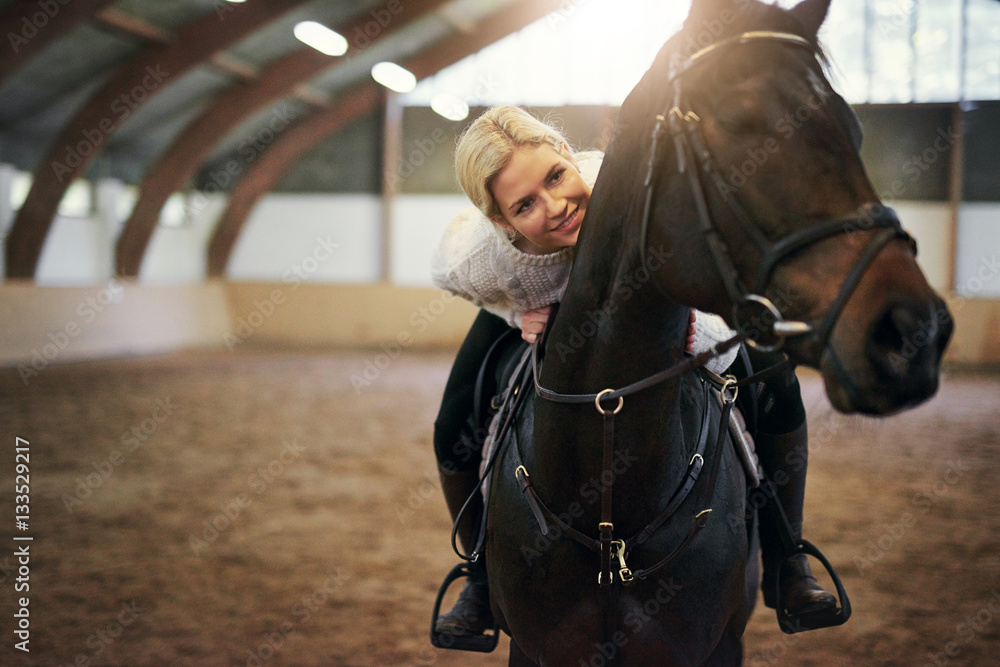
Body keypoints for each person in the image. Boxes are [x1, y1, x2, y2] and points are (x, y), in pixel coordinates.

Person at [430, 105, 835, 639]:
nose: (555, 207)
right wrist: (517, 314)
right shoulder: (484, 258)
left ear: (570, 156)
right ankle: (479, 577)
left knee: (773, 373)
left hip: (663, 294)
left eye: (556, 176)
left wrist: (698, 331)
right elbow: (450, 279)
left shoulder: (641, 198)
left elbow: (705, 287)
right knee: (453, 419)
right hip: (539, 304)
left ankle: (788, 561)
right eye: (525, 204)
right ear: (502, 222)